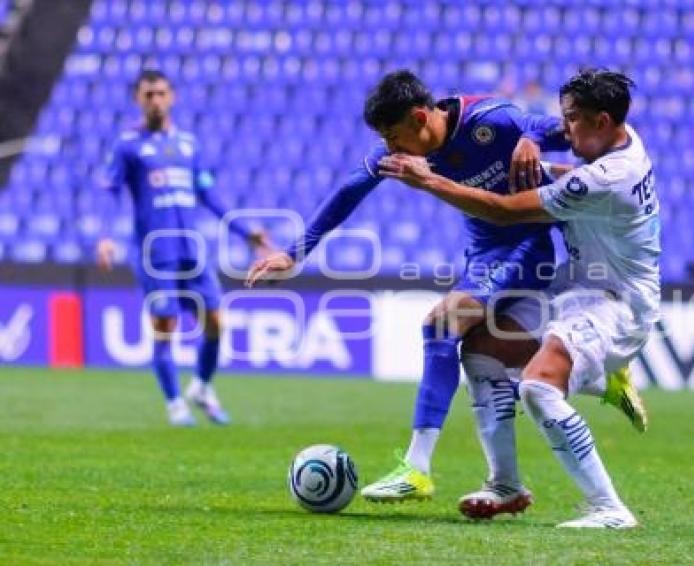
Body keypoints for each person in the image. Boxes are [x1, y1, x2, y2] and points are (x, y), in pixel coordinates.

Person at [247, 70, 645, 503]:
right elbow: (349, 191)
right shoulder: (403, 149)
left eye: (395, 136)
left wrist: (531, 137)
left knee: (441, 324)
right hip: (482, 254)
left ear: (420, 116)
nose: (392, 148)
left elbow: (561, 129)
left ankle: (417, 469)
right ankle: (597, 383)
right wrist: (294, 253)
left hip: (523, 246)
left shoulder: (491, 120)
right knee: (483, 351)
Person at [380, 68, 657, 528]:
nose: (563, 129)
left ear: (603, 120)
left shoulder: (610, 175)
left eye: (571, 120)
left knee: (538, 387)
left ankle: (609, 508)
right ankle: (505, 484)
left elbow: (505, 212)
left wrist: (429, 181)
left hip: (616, 304)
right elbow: (564, 170)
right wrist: (528, 141)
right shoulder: (619, 142)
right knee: (482, 352)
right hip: (573, 289)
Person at [97, 69, 270, 426]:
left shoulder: (189, 145)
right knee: (165, 325)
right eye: (148, 94)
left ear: (171, 96)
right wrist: (105, 235)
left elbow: (208, 194)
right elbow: (111, 192)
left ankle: (202, 387)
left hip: (192, 250)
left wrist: (244, 231)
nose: (156, 100)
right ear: (138, 99)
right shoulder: (128, 144)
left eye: (161, 93)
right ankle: (175, 403)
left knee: (217, 322)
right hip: (155, 252)